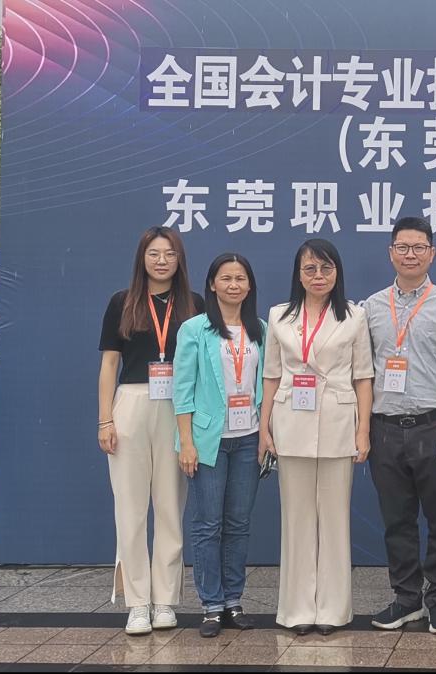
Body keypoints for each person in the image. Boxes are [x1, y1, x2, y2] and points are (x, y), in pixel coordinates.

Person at [259, 239, 374, 636]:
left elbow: (363, 376)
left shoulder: (354, 316)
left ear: (337, 272)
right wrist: (264, 427)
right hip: (290, 421)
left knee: (335, 518)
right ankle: (297, 609)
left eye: (326, 268)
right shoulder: (279, 316)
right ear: (299, 274)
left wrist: (363, 430)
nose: (319, 276)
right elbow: (271, 375)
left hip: (339, 422)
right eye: (310, 269)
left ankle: (332, 609)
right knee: (296, 518)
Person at [364, 217, 436, 635]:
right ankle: (407, 599)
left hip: (434, 425)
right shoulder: (370, 307)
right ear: (391, 253)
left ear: (432, 253)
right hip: (385, 428)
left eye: (419, 247)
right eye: (403, 247)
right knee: (397, 520)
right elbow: (363, 375)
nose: (411, 254)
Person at [97, 226, 202, 635]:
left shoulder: (194, 304)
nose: (162, 261)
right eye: (154, 254)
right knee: (130, 508)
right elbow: (109, 364)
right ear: (142, 258)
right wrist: (105, 419)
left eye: (169, 254)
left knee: (171, 507)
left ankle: (165, 601)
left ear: (180, 260)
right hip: (132, 403)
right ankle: (137, 603)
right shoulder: (122, 302)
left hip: (179, 407)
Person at [173, 254, 267, 638]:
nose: (233, 285)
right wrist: (186, 441)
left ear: (249, 285)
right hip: (208, 439)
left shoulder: (260, 328)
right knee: (208, 524)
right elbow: (182, 389)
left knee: (239, 524)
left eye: (240, 278)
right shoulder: (195, 329)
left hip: (249, 438)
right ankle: (210, 605)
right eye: (225, 278)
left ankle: (233, 601)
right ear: (212, 284)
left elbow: (266, 384)